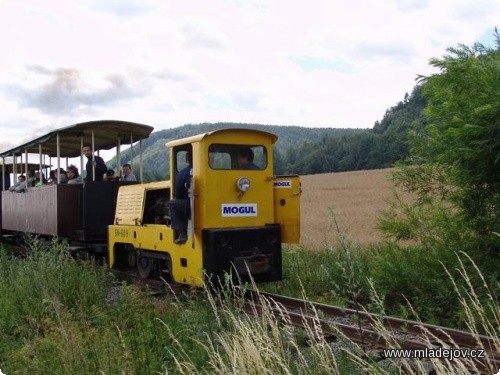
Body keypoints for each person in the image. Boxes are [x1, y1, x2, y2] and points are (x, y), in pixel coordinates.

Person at [168, 151, 192, 244]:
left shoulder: (184, 172)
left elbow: (178, 194)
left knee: (172, 203)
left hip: (192, 204)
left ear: (186, 160)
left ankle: (182, 233)